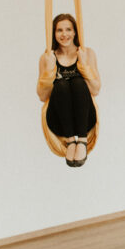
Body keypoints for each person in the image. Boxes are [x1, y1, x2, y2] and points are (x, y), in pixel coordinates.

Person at [37, 14, 101, 167]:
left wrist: (84, 66)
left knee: (78, 83)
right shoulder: (47, 57)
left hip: (84, 119)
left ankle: (82, 141)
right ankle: (71, 140)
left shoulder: (87, 53)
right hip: (58, 120)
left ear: (75, 32)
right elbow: (42, 96)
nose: (64, 34)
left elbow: (95, 90)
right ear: (53, 33)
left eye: (68, 29)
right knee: (61, 85)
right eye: (59, 30)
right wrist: (49, 70)